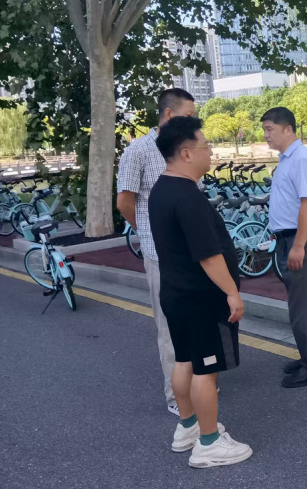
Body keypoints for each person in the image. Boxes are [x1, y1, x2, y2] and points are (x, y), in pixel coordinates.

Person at [148, 116, 252, 468]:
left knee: (184, 361)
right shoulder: (188, 197)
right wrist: (232, 292)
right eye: (206, 146)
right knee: (206, 369)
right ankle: (208, 443)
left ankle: (188, 426)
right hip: (201, 298)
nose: (211, 152)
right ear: (186, 153)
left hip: (175, 294)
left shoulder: (161, 189)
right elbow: (209, 255)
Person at [117, 89, 199, 416]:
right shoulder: (138, 151)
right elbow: (125, 202)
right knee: (169, 326)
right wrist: (149, 232)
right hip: (160, 254)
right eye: (189, 115)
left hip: (193, 251)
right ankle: (177, 396)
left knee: (196, 319)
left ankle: (199, 381)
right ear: (168, 115)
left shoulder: (186, 148)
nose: (194, 121)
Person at [262, 107, 307, 388]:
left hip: (301, 239)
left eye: (270, 129)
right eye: (264, 130)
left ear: (288, 129)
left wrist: (299, 245)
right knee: (299, 304)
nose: (266, 135)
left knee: (303, 307)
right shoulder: (287, 159)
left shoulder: (301, 159)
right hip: (289, 238)